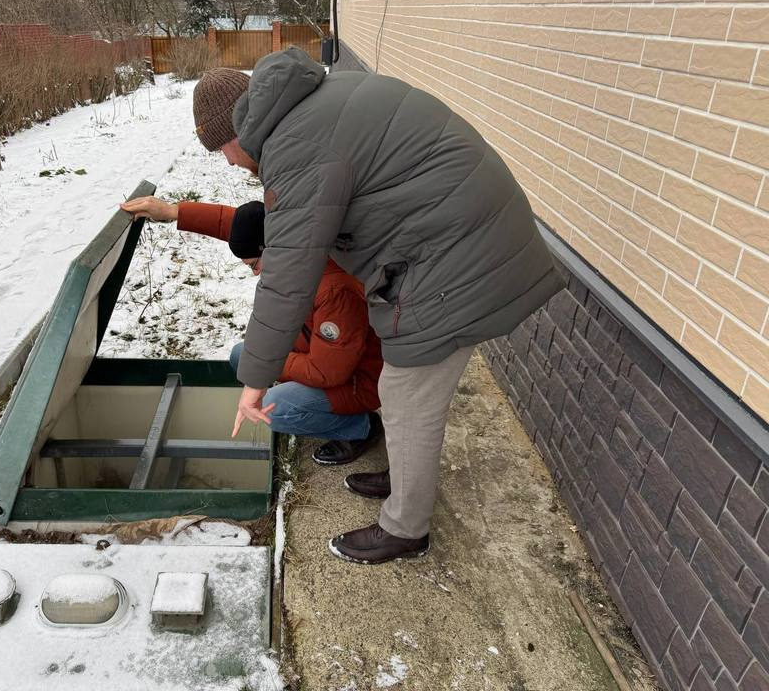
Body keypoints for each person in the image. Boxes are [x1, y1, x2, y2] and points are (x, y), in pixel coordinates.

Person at [189, 54, 564, 564]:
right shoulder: (316, 104)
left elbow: (288, 273)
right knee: (400, 389)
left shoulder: (297, 146)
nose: (230, 163)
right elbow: (276, 231)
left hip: (457, 258)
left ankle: (406, 528)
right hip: (453, 238)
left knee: (409, 395)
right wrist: (176, 213)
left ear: (236, 128)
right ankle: (405, 474)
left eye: (220, 151)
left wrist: (256, 377)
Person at [120, 195, 385, 465]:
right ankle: (303, 398)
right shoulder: (294, 242)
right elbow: (241, 224)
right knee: (241, 356)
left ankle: (360, 428)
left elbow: (326, 372)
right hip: (318, 351)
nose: (256, 274)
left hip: (358, 380)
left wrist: (269, 366)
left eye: (254, 265)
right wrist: (173, 212)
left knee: (277, 409)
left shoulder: (334, 290)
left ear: (273, 250)